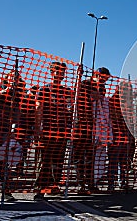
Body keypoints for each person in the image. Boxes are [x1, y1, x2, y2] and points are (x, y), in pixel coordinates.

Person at [34, 62, 73, 200]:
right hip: (47, 131)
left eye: (63, 72)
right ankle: (40, 189)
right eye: (58, 71)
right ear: (52, 72)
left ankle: (54, 185)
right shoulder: (44, 90)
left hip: (62, 131)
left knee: (58, 160)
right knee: (44, 160)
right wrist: (38, 128)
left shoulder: (67, 91)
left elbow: (70, 109)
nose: (61, 74)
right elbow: (39, 109)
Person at [74, 66, 111, 194]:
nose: (104, 81)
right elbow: (80, 96)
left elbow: (100, 98)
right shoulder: (85, 84)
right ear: (96, 75)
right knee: (79, 155)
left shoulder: (102, 87)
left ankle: (90, 182)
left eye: (106, 79)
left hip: (94, 126)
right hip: (81, 124)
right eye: (102, 78)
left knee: (91, 155)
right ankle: (81, 183)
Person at [0, 70, 26, 202]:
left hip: (4, 131)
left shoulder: (17, 96)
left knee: (3, 162)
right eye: (12, 78)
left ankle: (6, 190)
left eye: (17, 78)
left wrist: (13, 130)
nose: (14, 80)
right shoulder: (0, 90)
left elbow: (16, 114)